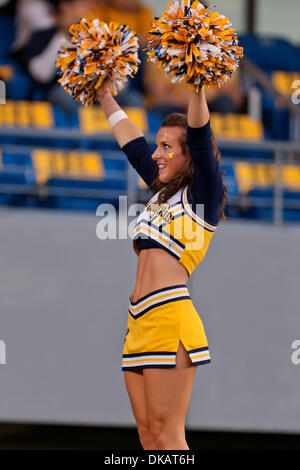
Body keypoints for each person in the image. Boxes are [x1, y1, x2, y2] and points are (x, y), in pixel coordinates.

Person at [96, 77, 227, 450]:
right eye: (158, 146)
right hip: (138, 318)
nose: (156, 154)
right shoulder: (162, 191)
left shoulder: (204, 194)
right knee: (149, 437)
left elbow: (200, 138)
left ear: (188, 157)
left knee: (169, 437)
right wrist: (104, 95)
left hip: (170, 316)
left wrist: (197, 87)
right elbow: (131, 144)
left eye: (167, 147)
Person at [22, 0, 95, 113]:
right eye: (84, 5)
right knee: (70, 98)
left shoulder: (92, 37)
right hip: (54, 90)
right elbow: (41, 75)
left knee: (128, 99)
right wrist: (63, 34)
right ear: (66, 7)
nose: (88, 11)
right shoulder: (42, 35)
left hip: (90, 89)